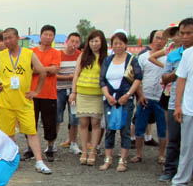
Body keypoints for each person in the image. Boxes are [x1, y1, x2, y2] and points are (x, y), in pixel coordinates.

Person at [0, 27, 52, 175]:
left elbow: (42, 71)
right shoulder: (1, 56)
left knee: (31, 132)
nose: (7, 41)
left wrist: (36, 91)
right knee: (7, 134)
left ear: (17, 38)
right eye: (5, 38)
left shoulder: (29, 54)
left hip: (24, 101)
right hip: (6, 102)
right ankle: (12, 159)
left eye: (10, 38)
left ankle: (39, 161)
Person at [99, 31, 143, 172]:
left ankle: (123, 160)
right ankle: (108, 159)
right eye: (115, 43)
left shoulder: (131, 60)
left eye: (120, 43)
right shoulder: (108, 60)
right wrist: (107, 95)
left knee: (125, 129)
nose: (118, 46)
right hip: (109, 100)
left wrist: (128, 94)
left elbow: (138, 78)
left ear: (125, 44)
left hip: (125, 99)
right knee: (109, 128)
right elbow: (102, 80)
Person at [160, 19, 193, 182]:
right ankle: (170, 170)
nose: (184, 37)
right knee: (174, 138)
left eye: (189, 33)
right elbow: (165, 78)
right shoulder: (174, 55)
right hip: (175, 102)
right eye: (182, 33)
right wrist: (179, 72)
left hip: (190, 103)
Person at [69, 30, 107, 167]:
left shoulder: (106, 57)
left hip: (97, 94)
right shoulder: (83, 55)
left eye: (96, 41)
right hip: (82, 93)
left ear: (102, 42)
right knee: (83, 123)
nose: (94, 44)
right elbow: (76, 75)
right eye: (91, 41)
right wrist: (73, 92)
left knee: (96, 124)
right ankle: (84, 151)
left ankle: (93, 151)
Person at [27, 25, 61, 162]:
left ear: (53, 37)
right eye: (45, 34)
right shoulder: (31, 52)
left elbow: (54, 70)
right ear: (40, 36)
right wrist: (46, 69)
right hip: (32, 93)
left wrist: (39, 69)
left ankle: (50, 148)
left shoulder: (56, 53)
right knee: (30, 122)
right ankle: (30, 149)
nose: (47, 37)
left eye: (50, 35)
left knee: (50, 123)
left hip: (49, 93)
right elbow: (29, 70)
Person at [134, 30, 167, 164]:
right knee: (139, 127)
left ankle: (161, 155)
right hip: (145, 97)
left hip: (161, 98)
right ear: (152, 39)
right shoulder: (143, 57)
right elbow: (137, 78)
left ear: (166, 41)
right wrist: (140, 95)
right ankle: (138, 154)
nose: (159, 41)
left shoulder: (169, 57)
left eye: (163, 39)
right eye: (157, 38)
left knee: (163, 129)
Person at [57, 32, 82, 155]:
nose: (74, 44)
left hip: (74, 91)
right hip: (59, 89)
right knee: (57, 117)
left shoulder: (80, 55)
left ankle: (73, 143)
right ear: (67, 41)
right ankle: (52, 143)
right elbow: (53, 74)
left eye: (77, 42)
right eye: (72, 41)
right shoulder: (58, 54)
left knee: (74, 117)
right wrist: (69, 77)